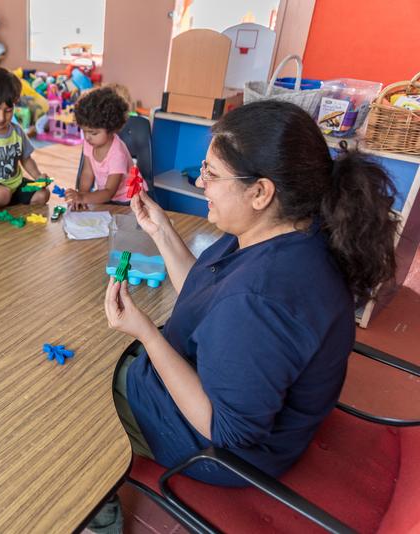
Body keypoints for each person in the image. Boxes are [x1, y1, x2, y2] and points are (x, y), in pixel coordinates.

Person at [90, 101, 398, 532]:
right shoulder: (288, 235)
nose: (200, 183)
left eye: (212, 175)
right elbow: (206, 292)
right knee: (103, 365)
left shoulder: (263, 297)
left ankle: (95, 515)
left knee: (80, 408)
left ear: (260, 192)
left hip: (217, 451)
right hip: (241, 409)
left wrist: (147, 334)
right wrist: (159, 231)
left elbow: (225, 432)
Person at [0, 67, 51, 222]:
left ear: (14, 104)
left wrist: (38, 177)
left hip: (17, 184)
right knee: (2, 195)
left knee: (43, 194)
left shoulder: (17, 131)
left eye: (7, 110)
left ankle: (12, 205)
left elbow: (26, 159)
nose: (1, 118)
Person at [65, 87, 146, 209]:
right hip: (108, 197)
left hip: (129, 200)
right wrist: (80, 195)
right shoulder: (91, 142)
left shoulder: (118, 154)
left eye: (93, 133)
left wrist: (83, 198)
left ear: (111, 129)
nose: (87, 137)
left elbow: (109, 191)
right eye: (84, 131)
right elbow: (87, 173)